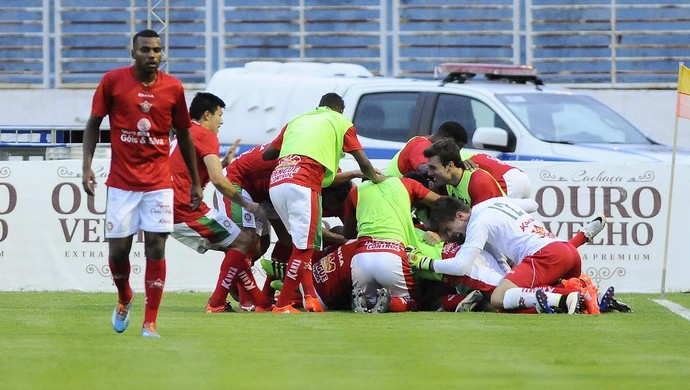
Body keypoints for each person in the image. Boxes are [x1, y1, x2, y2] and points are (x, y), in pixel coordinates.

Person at [81, 29, 203, 338]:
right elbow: (94, 124)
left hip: (159, 183)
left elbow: (185, 135)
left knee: (156, 246)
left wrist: (195, 182)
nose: (153, 55)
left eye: (158, 50)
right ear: (133, 53)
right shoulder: (112, 82)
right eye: (146, 49)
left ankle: (150, 322)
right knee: (118, 253)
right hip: (122, 183)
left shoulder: (174, 88)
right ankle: (124, 296)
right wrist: (86, 167)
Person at [262, 92, 385, 313]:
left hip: (278, 182)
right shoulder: (341, 122)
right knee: (304, 249)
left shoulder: (297, 120)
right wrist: (376, 178)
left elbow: (268, 154)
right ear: (340, 110)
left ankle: (310, 297)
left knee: (304, 245)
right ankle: (282, 305)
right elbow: (363, 161)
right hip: (302, 183)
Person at [411, 196, 615, 314]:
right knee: (529, 291)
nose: (454, 235)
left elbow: (461, 266)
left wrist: (423, 262)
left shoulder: (477, 223)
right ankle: (581, 248)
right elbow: (532, 204)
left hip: (544, 255)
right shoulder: (492, 203)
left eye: (450, 228)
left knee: (500, 298)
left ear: (460, 215)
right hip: (564, 249)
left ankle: (572, 297)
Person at [169, 92, 272, 313]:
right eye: (220, 115)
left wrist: (223, 162)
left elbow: (190, 169)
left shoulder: (182, 134)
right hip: (186, 209)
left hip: (167, 208)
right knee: (244, 241)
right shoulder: (205, 136)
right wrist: (248, 205)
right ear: (207, 115)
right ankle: (216, 303)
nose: (221, 121)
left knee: (235, 244)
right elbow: (218, 180)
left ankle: (253, 302)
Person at [343, 177, 440, 313]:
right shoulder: (406, 183)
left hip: (362, 257)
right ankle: (391, 303)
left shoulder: (355, 191)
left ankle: (365, 300)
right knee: (412, 302)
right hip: (392, 254)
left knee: (370, 299)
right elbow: (442, 202)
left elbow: (347, 233)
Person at [423, 138, 504, 207]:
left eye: (433, 168)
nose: (429, 173)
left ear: (450, 166)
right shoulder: (447, 182)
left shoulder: (479, 183)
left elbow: (481, 222)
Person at [384, 121, 468, 177]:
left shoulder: (433, 145)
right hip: (393, 191)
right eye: (455, 148)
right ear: (443, 139)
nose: (455, 152)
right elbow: (424, 169)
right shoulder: (421, 145)